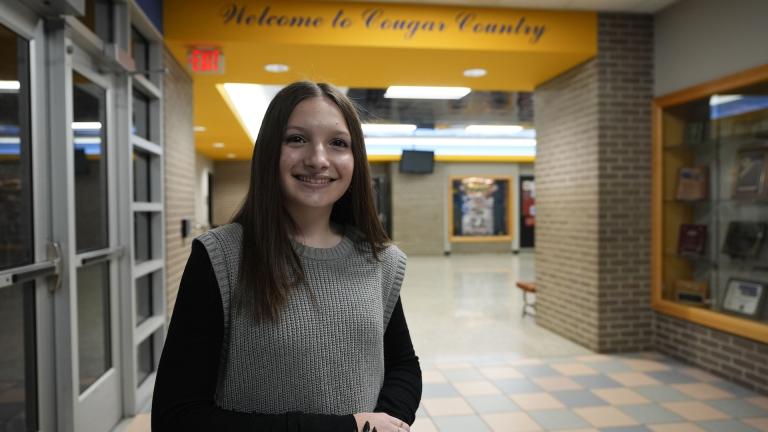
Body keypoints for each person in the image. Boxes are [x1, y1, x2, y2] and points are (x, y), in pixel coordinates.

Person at [152, 81, 422, 432]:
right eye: (296, 139)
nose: (318, 159)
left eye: (338, 143)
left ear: (355, 159)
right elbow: (178, 416)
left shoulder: (380, 260)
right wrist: (346, 428)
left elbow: (402, 364)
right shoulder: (221, 257)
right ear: (269, 151)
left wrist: (382, 424)